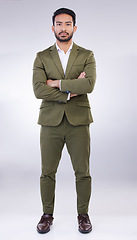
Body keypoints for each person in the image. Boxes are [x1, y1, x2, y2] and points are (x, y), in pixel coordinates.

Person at [32, 8, 96, 234]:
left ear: (74, 28)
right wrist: (70, 90)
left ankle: (83, 214)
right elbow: (38, 90)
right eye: (59, 24)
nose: (63, 28)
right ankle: (47, 214)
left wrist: (56, 83)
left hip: (79, 121)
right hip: (50, 122)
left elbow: (88, 85)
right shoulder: (42, 56)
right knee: (47, 172)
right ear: (53, 28)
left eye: (68, 24)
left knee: (83, 172)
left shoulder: (86, 55)